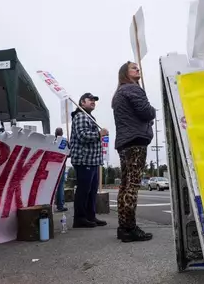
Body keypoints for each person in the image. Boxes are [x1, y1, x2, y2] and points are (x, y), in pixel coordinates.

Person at [111, 61, 156, 242]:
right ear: (125, 73)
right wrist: (152, 110)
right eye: (134, 68)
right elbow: (146, 112)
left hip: (124, 142)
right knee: (133, 184)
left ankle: (123, 226)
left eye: (138, 68)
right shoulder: (133, 89)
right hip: (136, 141)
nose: (138, 69)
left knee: (125, 184)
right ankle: (130, 227)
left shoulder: (119, 93)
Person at [70, 92, 109, 228]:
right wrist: (99, 134)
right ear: (82, 102)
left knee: (92, 190)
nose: (93, 101)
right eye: (90, 99)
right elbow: (82, 136)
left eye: (94, 100)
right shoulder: (81, 116)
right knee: (83, 190)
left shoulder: (89, 117)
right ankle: (80, 218)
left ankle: (90, 216)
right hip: (84, 160)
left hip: (92, 160)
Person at [54, 127, 68, 212]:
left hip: (53, 165)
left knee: (55, 185)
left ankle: (56, 202)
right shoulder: (63, 141)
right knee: (61, 185)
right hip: (61, 164)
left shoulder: (53, 141)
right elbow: (68, 153)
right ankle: (60, 205)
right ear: (62, 133)